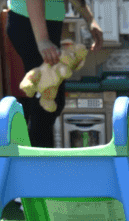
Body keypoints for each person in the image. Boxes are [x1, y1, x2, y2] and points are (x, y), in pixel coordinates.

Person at [5, 0, 102, 147]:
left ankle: (40, 160)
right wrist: (43, 39)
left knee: (52, 103)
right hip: (29, 23)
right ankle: (37, 164)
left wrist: (90, 19)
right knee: (44, 105)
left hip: (47, 23)